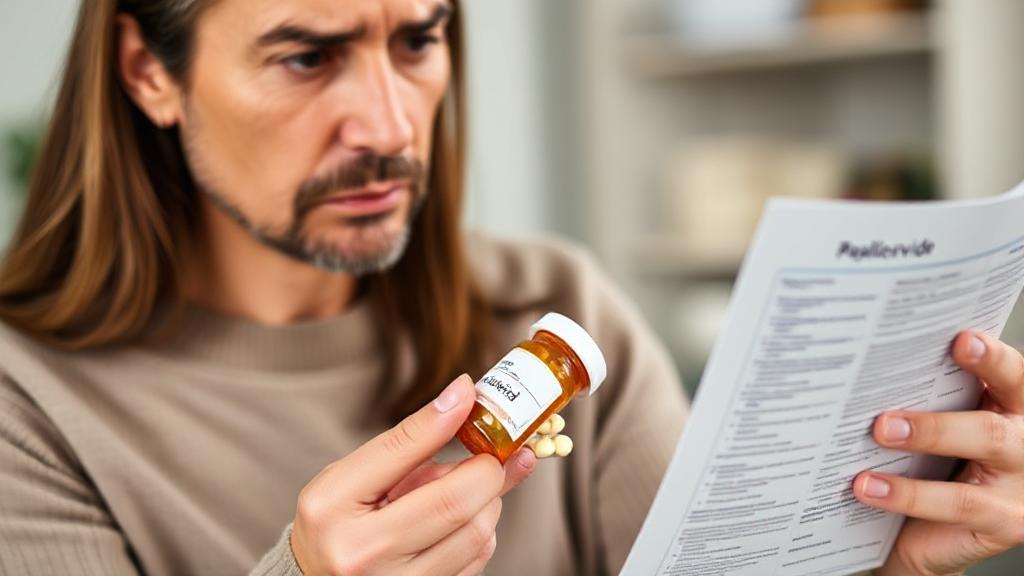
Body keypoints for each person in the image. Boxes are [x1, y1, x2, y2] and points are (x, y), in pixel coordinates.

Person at [0, 0, 1020, 575]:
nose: (391, 126)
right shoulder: (26, 401)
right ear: (148, 71)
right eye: (307, 57)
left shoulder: (557, 307)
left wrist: (887, 565)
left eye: (418, 40)